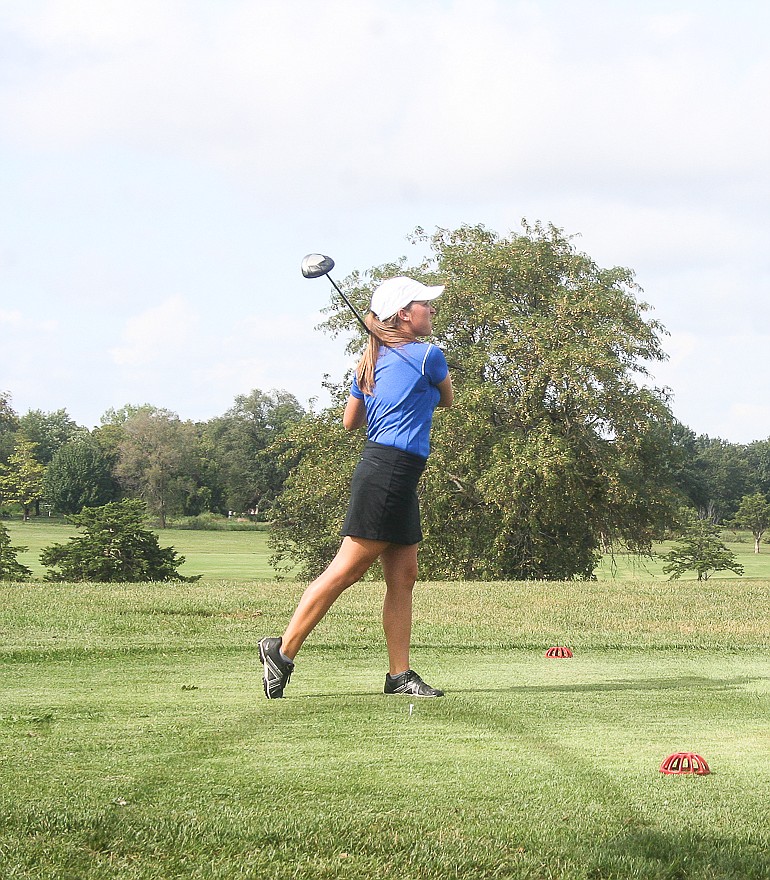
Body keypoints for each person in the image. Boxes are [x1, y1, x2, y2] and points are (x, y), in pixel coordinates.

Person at [259, 275, 454, 699]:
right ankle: (282, 649)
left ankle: (399, 675)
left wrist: (386, 395)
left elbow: (351, 421)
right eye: (425, 304)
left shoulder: (371, 362)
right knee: (347, 568)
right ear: (404, 314)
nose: (432, 310)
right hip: (388, 473)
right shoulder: (428, 357)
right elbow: (447, 399)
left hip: (393, 472)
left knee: (404, 576)